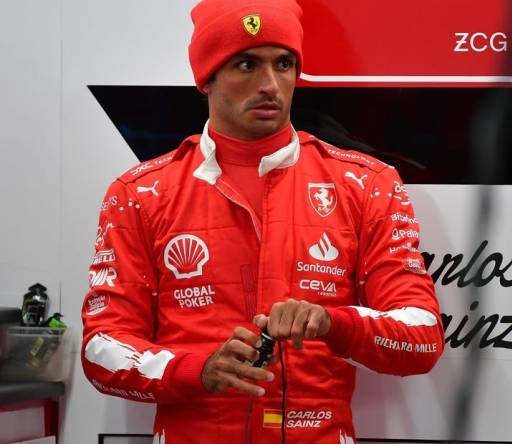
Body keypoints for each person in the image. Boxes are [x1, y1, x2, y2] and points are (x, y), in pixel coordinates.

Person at [80, 0, 444, 442]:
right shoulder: (139, 193)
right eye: (246, 64)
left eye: (284, 64)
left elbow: (422, 339)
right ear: (206, 78)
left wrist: (334, 323)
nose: (270, 84)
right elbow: (101, 349)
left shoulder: (366, 184)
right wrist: (195, 370)